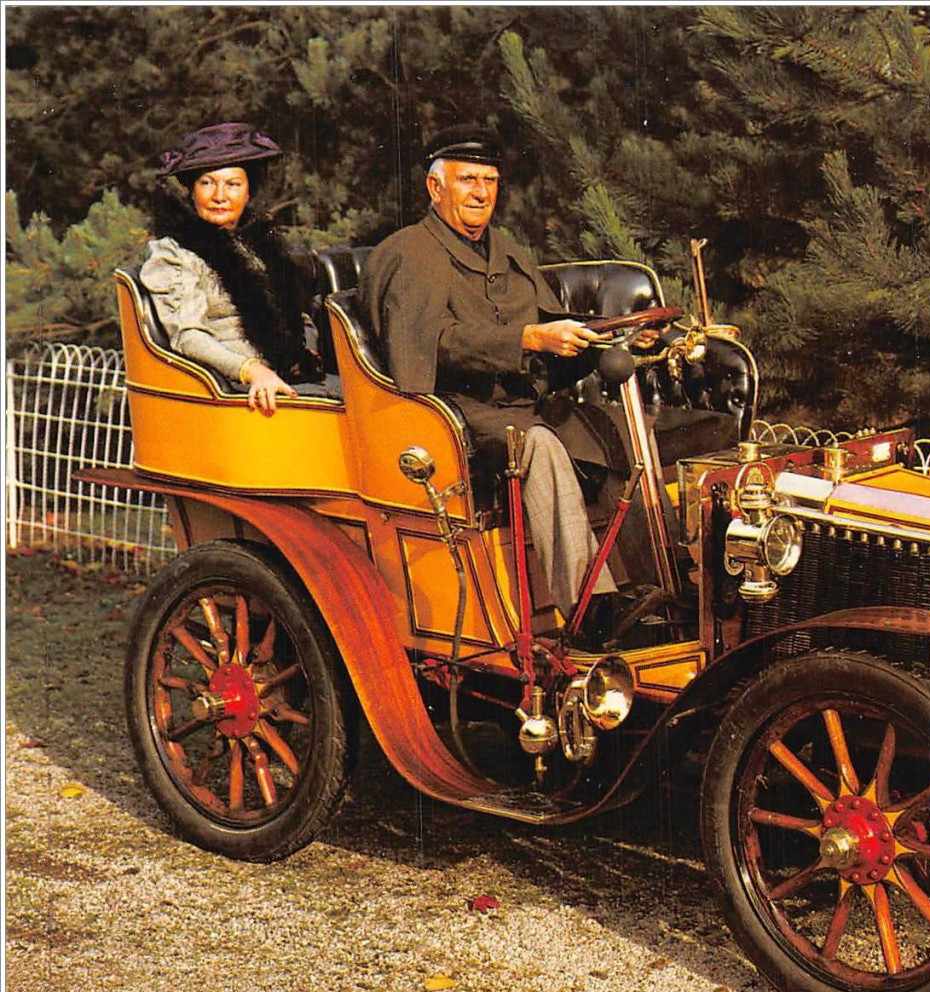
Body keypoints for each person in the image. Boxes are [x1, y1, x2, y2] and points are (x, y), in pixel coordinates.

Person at [360, 124, 626, 620]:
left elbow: (546, 327)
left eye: (490, 181)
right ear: (435, 188)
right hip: (449, 414)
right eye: (468, 180)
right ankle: (592, 613)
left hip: (519, 404)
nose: (481, 192)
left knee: (615, 431)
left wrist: (596, 338)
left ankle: (648, 592)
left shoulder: (505, 248)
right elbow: (424, 347)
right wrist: (524, 340)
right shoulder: (409, 253)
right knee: (539, 445)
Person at [142, 122, 319, 415]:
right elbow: (187, 336)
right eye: (207, 183)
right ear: (192, 191)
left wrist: (307, 350)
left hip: (285, 379)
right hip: (228, 392)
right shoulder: (175, 254)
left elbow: (298, 313)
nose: (220, 196)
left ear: (248, 192)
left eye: (233, 184)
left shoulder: (260, 244)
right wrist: (251, 371)